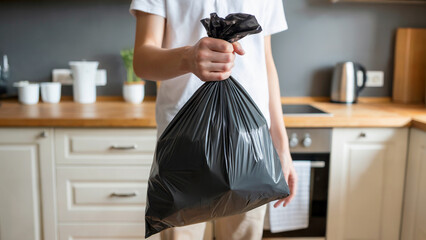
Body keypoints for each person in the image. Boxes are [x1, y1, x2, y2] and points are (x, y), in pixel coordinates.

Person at [129, 1, 298, 239]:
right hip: (185, 141)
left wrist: (282, 147)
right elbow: (143, 60)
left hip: (252, 141)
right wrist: (187, 58)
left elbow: (265, 60)